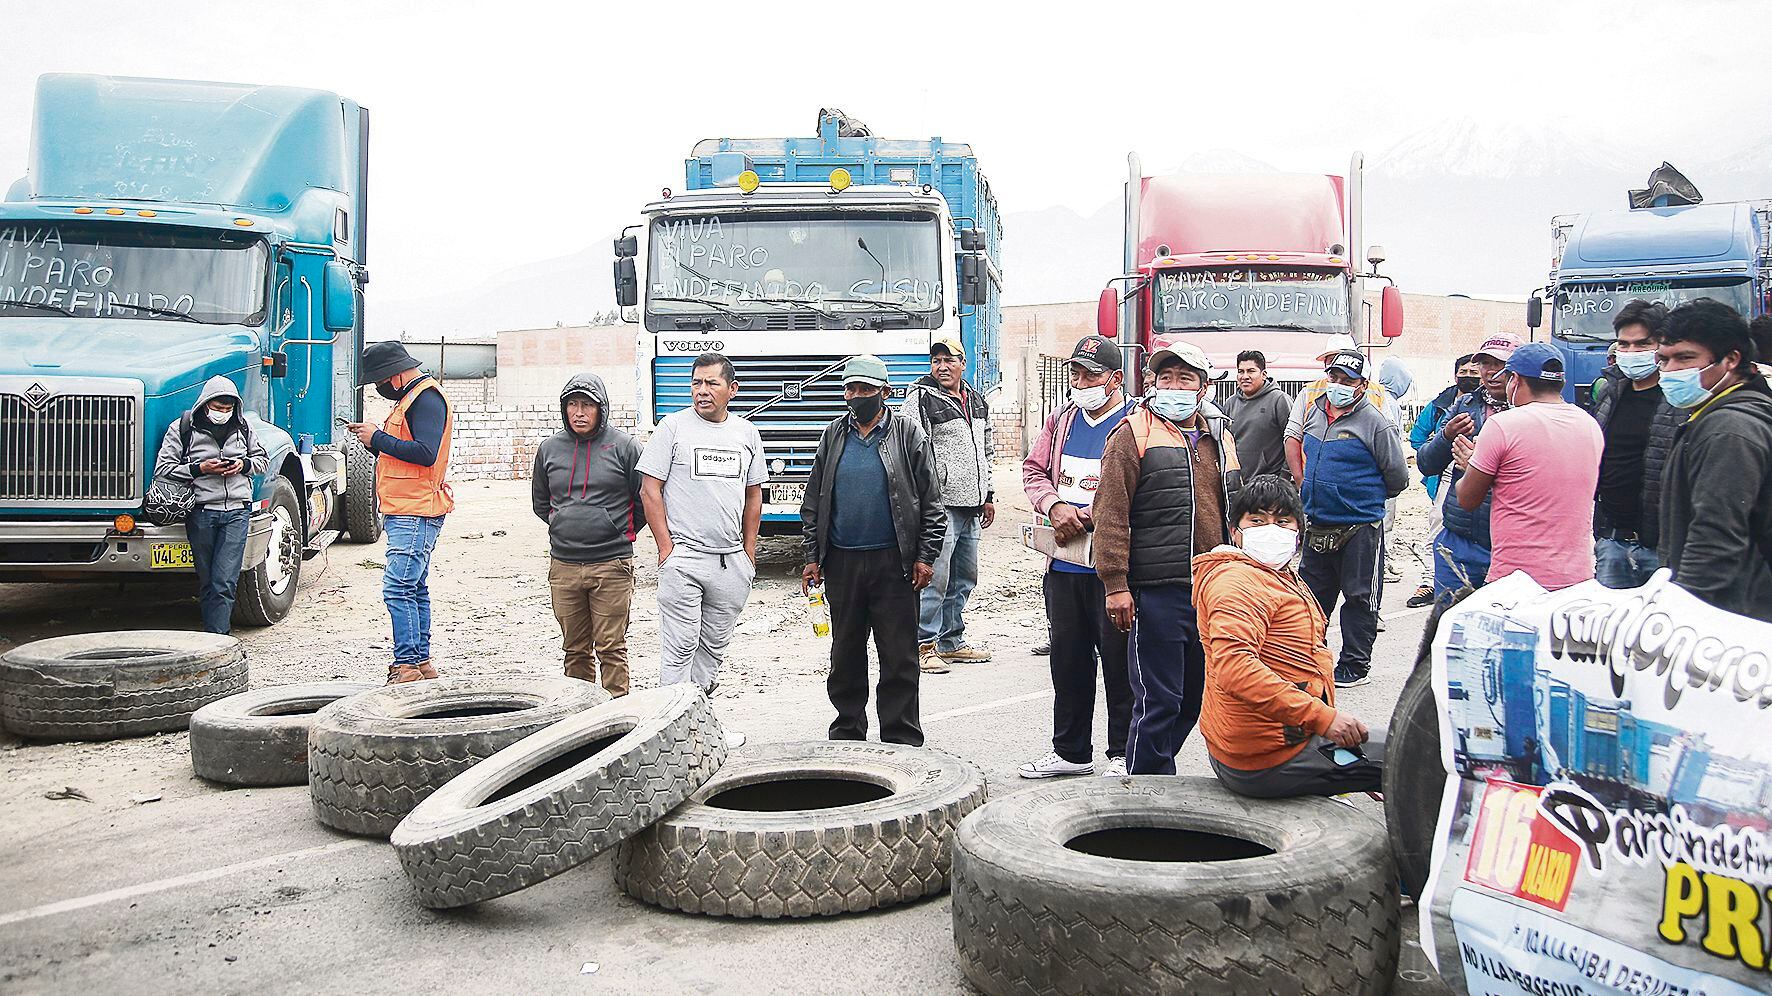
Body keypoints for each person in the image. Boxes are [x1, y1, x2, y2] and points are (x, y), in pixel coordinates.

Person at [1093, 341, 1240, 775]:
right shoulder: (1132, 433)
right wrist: (1116, 584)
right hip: (1155, 590)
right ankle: (1147, 790)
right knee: (1159, 700)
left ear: (1204, 387)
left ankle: (1152, 772)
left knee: (1193, 696)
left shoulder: (1220, 436)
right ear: (1153, 382)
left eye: (1185, 379)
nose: (1173, 386)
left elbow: (1234, 506)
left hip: (1208, 586)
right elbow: (1111, 512)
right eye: (1165, 378)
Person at [1194, 474, 1382, 798]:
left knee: (1377, 752)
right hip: (1267, 758)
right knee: (1411, 755)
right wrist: (1324, 719)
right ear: (1236, 532)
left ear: (1298, 534)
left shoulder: (1278, 575)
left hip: (1286, 737)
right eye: (1258, 520)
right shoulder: (1238, 582)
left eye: (1283, 521)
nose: (1271, 530)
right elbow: (1235, 667)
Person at [801, 354, 945, 745]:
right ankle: (848, 733)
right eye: (850, 388)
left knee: (899, 657)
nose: (856, 396)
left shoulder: (908, 434)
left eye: (865, 389)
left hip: (894, 563)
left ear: (884, 391)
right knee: (845, 655)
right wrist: (812, 556)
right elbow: (813, 500)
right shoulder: (833, 435)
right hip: (843, 563)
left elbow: (932, 501)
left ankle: (901, 739)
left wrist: (925, 557)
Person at [1019, 334, 1135, 778]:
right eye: (1076, 373)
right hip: (1063, 563)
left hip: (1113, 568)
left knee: (1121, 662)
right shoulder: (1062, 420)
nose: (1081, 381)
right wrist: (1055, 506)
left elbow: (1139, 488)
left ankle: (1124, 751)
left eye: (1092, 374)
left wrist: (1088, 515)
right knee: (1067, 659)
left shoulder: (1135, 424)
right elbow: (1032, 470)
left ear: (1115, 379)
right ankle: (1070, 752)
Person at [638, 352, 767, 726]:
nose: (702, 391)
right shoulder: (673, 428)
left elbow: (753, 495)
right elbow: (650, 490)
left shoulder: (746, 433)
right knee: (680, 647)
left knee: (712, 650)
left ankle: (699, 728)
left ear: (732, 389)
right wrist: (666, 549)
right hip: (685, 560)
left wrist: (748, 552)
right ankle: (668, 733)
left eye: (711, 383)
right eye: (696, 383)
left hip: (731, 563)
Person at [1295, 349, 1408, 687]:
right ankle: (1311, 658)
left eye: (1348, 380)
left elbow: (1398, 477)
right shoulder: (1314, 414)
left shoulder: (1375, 422)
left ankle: (1355, 666)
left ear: (1362, 386)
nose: (1339, 385)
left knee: (1359, 597)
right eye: (1335, 378)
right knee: (1311, 598)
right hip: (1318, 521)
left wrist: (1362, 499)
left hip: (1360, 526)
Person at [1656, 299, 1772, 620]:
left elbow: (1715, 538)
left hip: (1729, 617)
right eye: (1663, 360)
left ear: (1731, 359)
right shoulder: (1708, 416)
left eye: (1685, 358)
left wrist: (1678, 613)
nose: (1670, 371)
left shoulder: (1729, 429)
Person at [1454, 343, 1604, 590]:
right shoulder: (1589, 425)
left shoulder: (1503, 425)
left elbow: (1468, 499)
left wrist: (1470, 466)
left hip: (1517, 581)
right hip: (1577, 578)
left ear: (1516, 380)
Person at [532, 372, 646, 697]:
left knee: (611, 647)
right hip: (564, 567)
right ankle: (579, 720)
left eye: (587, 405)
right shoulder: (549, 449)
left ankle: (617, 718)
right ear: (564, 409)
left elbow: (642, 502)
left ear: (602, 409)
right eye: (573, 405)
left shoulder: (625, 447)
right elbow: (542, 503)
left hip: (612, 565)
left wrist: (616, 530)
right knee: (575, 650)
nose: (579, 412)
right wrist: (564, 524)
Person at [346, 342, 454, 684]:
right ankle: (420, 665)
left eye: (379, 380)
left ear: (394, 376)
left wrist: (376, 438)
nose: (379, 387)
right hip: (409, 507)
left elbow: (425, 453)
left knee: (398, 588)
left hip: (417, 510)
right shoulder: (412, 399)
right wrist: (375, 440)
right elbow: (405, 453)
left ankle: (406, 666)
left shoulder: (425, 398)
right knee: (413, 586)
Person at [902, 335, 995, 672]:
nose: (942, 366)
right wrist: (923, 501)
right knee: (934, 578)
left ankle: (951, 641)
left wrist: (989, 494)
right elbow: (911, 449)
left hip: (972, 505)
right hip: (940, 506)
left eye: (949, 360)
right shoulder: (921, 397)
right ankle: (922, 644)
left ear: (963, 364)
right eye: (936, 361)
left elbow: (986, 451)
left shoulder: (976, 400)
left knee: (964, 577)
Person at [153, 376, 268, 635]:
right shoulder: (181, 429)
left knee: (224, 580)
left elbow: (262, 460)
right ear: (205, 404)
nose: (222, 414)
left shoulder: (244, 427)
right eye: (218, 408)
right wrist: (200, 469)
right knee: (208, 581)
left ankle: (220, 639)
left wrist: (243, 465)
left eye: (228, 409)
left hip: (237, 512)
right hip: (201, 512)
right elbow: (164, 469)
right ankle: (211, 636)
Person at [1591, 301, 1685, 589]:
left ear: (1661, 345)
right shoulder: (1609, 392)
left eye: (1642, 344)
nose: (1631, 353)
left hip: (1662, 548)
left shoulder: (1678, 398)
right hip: (1612, 540)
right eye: (1624, 344)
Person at [1418, 334, 1517, 606]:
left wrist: (1481, 464)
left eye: (1501, 365)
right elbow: (1426, 462)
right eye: (1486, 364)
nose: (1492, 373)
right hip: (1459, 538)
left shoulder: (1529, 411)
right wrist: (1446, 435)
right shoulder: (1465, 405)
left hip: (1509, 541)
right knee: (1449, 627)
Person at [1405, 354, 1479, 607]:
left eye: (1474, 372)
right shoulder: (1442, 405)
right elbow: (1418, 439)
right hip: (1445, 476)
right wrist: (1441, 442)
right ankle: (1428, 582)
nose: (1469, 377)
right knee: (1437, 530)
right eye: (1464, 372)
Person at [1283, 335, 1395, 482]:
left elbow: (1392, 452)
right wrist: (1299, 479)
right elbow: (1292, 436)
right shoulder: (1309, 392)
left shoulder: (1377, 393)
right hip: (1313, 488)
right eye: (1333, 361)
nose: (1341, 367)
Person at [1221, 350, 1291, 482]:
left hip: (1270, 485)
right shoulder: (1230, 403)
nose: (1245, 376)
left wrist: (1283, 478)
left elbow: (1293, 441)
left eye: (1251, 371)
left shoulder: (1279, 400)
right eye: (1241, 371)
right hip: (1238, 485)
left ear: (1263, 374)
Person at [1377, 358, 1415, 583]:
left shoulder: (1381, 397)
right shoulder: (1388, 402)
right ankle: (1382, 561)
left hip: (1381, 469)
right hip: (1386, 470)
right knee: (1385, 520)